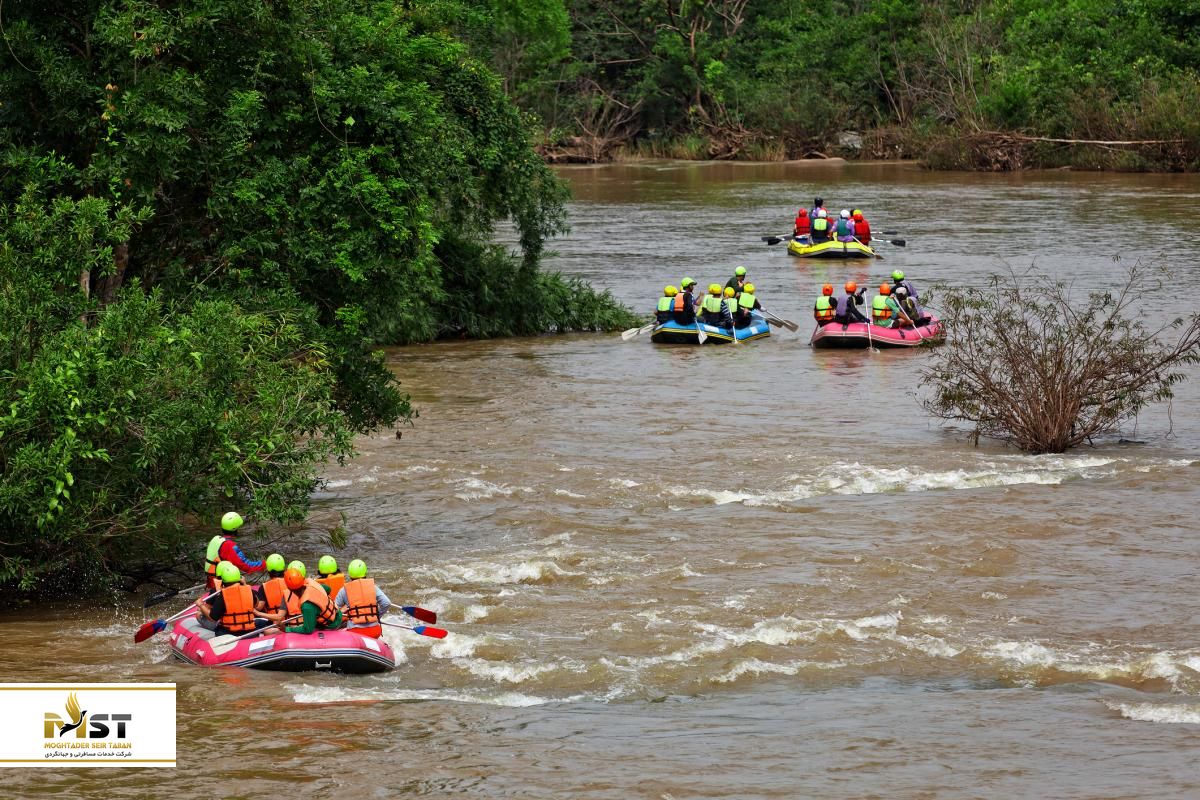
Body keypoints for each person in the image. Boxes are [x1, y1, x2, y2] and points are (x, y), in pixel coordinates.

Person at [198, 565, 274, 637]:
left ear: (223, 581)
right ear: (239, 578)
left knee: (215, 625)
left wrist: (201, 605)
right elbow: (256, 605)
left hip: (230, 633)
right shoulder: (248, 591)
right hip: (250, 632)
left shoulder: (223, 595)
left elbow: (213, 618)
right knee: (259, 623)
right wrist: (244, 585)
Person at [203, 511, 264, 591]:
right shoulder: (229, 546)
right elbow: (247, 566)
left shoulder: (215, 539)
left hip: (212, 582)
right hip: (221, 585)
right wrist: (264, 564)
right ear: (235, 529)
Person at [334, 559, 392, 639]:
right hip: (374, 631)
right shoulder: (373, 587)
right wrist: (376, 616)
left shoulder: (344, 590)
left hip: (355, 633)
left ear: (350, 574)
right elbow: (387, 603)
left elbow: (334, 609)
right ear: (365, 572)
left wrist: (341, 615)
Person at [280, 567, 342, 634]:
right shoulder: (312, 583)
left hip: (331, 625)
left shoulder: (306, 605)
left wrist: (287, 629)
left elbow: (308, 630)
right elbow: (328, 589)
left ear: (289, 589)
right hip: (337, 613)